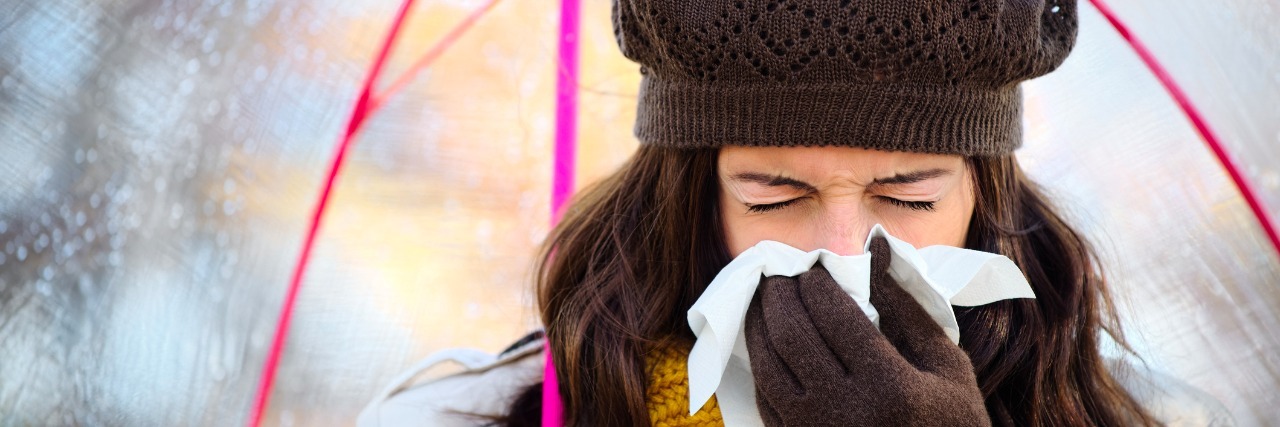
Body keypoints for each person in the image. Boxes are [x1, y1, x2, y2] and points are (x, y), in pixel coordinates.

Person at [359, 0, 1233, 425]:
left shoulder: (1151, 417)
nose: (843, 253)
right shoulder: (461, 418)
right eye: (776, 194)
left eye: (909, 196)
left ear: (985, 195)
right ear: (692, 197)